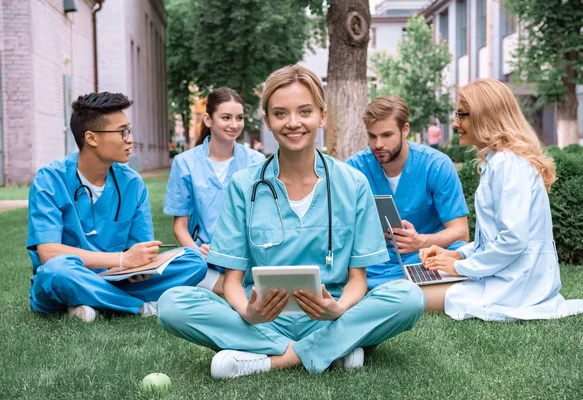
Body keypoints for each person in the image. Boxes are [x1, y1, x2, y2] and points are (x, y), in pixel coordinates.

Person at [157, 65, 425, 379]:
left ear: (322, 116)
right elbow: (231, 280)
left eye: (305, 111)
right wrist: (247, 311)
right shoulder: (244, 186)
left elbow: (358, 280)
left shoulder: (353, 184)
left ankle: (277, 358)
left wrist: (338, 309)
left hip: (330, 314)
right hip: (262, 318)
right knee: (172, 303)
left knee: (409, 297)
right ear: (268, 120)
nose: (293, 123)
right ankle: (332, 350)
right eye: (281, 113)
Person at [27, 92, 212, 323]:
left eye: (129, 130)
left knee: (193, 260)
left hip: (117, 278)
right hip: (69, 276)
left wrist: (142, 264)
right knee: (57, 270)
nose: (130, 139)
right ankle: (139, 308)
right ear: (92, 138)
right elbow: (49, 253)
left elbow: (139, 250)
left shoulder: (132, 184)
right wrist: (122, 260)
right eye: (122, 132)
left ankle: (91, 303)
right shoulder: (50, 179)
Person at [419, 78, 583, 320]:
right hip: (509, 279)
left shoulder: (509, 165)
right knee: (409, 289)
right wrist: (459, 255)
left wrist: (459, 268)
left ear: (484, 116)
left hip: (516, 289)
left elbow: (513, 241)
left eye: (461, 115)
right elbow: (497, 238)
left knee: (410, 296)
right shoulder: (501, 162)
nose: (455, 123)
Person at [346, 96, 469, 289]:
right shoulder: (355, 167)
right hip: (374, 261)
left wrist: (420, 241)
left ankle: (382, 288)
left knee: (460, 250)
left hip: (424, 257)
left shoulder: (436, 165)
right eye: (372, 136)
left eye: (387, 135)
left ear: (405, 130)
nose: (378, 144)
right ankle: (403, 287)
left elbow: (461, 232)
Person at [163, 88, 265, 294]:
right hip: (203, 257)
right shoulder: (185, 163)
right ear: (208, 120)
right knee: (175, 264)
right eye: (226, 118)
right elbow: (180, 226)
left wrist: (229, 253)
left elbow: (262, 221)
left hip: (244, 255)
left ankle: (224, 284)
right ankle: (227, 285)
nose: (234, 125)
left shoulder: (257, 162)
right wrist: (198, 254)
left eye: (239, 118)